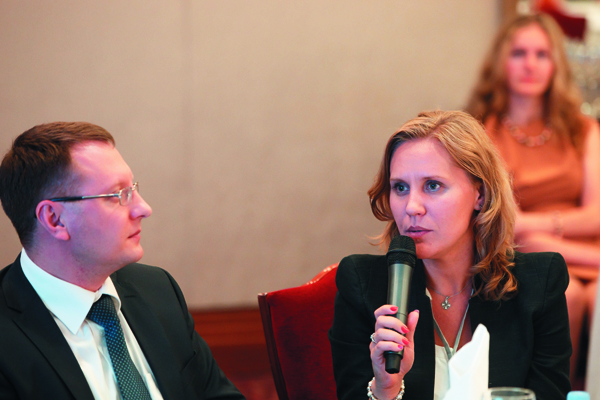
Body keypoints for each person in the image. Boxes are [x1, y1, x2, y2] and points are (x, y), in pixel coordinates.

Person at [328, 110, 571, 400]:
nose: (412, 207)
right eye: (400, 187)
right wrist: (385, 388)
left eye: (433, 185)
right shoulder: (363, 285)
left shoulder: (539, 284)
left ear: (480, 194)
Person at [0, 122, 245, 400]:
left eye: (133, 188)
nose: (144, 208)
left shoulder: (157, 289)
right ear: (55, 219)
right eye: (118, 195)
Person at [466, 13, 600, 382]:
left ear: (556, 64)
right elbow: (494, 220)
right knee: (567, 295)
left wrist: (537, 228)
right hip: (519, 251)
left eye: (541, 54)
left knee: (596, 297)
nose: (530, 64)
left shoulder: (584, 130)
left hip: (575, 246)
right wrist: (531, 236)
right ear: (500, 62)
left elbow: (597, 214)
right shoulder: (482, 132)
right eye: (519, 53)